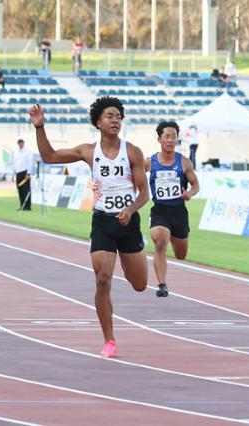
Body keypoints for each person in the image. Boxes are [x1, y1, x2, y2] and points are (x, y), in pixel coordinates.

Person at [29, 96, 149, 358]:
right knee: (102, 279)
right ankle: (109, 339)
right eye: (110, 116)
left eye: (119, 116)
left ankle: (131, 261)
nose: (116, 120)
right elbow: (49, 157)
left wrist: (130, 209)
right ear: (98, 122)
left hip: (128, 222)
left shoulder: (132, 152)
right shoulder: (88, 151)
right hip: (103, 221)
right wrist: (40, 127)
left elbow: (144, 193)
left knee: (140, 284)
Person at [145, 121, 199, 298]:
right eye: (166, 136)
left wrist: (189, 194)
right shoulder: (150, 162)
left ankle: (176, 241)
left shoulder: (183, 162)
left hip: (179, 212)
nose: (170, 140)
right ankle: (162, 284)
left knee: (181, 254)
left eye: (173, 137)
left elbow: (195, 184)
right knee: (160, 242)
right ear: (159, 139)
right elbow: (132, 175)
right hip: (160, 211)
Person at [12, 139, 34, 211]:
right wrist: (13, 173)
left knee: (26, 190)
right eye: (19, 142)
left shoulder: (28, 151)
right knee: (20, 190)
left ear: (23, 143)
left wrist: (28, 173)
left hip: (25, 173)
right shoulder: (16, 152)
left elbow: (30, 162)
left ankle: (27, 206)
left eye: (21, 142)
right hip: (18, 173)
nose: (20, 144)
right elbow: (14, 163)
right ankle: (22, 205)